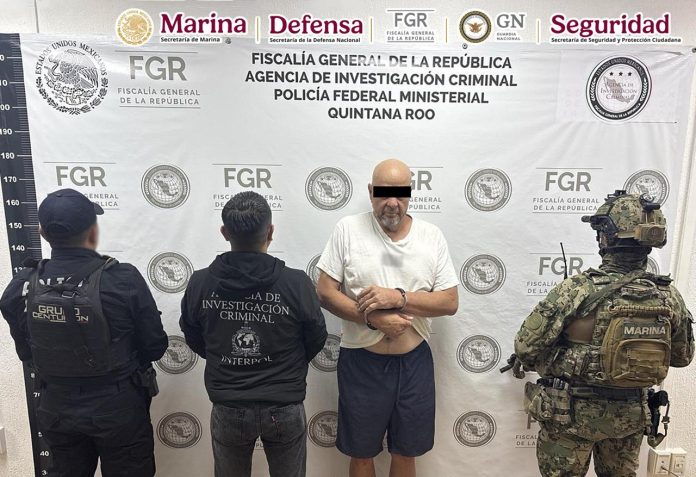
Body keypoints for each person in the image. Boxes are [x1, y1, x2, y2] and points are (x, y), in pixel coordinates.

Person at [513, 190, 695, 477]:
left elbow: (525, 348)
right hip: (630, 418)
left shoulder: (578, 290)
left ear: (605, 238)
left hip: (571, 415)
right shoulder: (668, 296)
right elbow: (682, 357)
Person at [0, 188, 167, 477]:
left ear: (41, 231)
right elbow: (155, 346)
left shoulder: (21, 285)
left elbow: (26, 353)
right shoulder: (122, 279)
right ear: (93, 230)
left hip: (56, 406)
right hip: (118, 406)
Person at [316, 158, 459, 477]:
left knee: (406, 453)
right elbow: (325, 292)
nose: (392, 202)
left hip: (414, 364)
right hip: (361, 363)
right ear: (370, 192)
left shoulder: (431, 236)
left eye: (401, 193)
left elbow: (450, 301)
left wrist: (400, 297)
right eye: (383, 193)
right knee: (361, 454)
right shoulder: (348, 229)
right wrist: (372, 319)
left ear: (410, 193)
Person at [180, 191, 327, 477]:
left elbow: (194, 336)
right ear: (270, 231)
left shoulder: (200, 282)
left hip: (229, 404)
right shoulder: (296, 283)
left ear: (224, 233)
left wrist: (226, 358)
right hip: (284, 403)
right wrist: (284, 365)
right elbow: (316, 337)